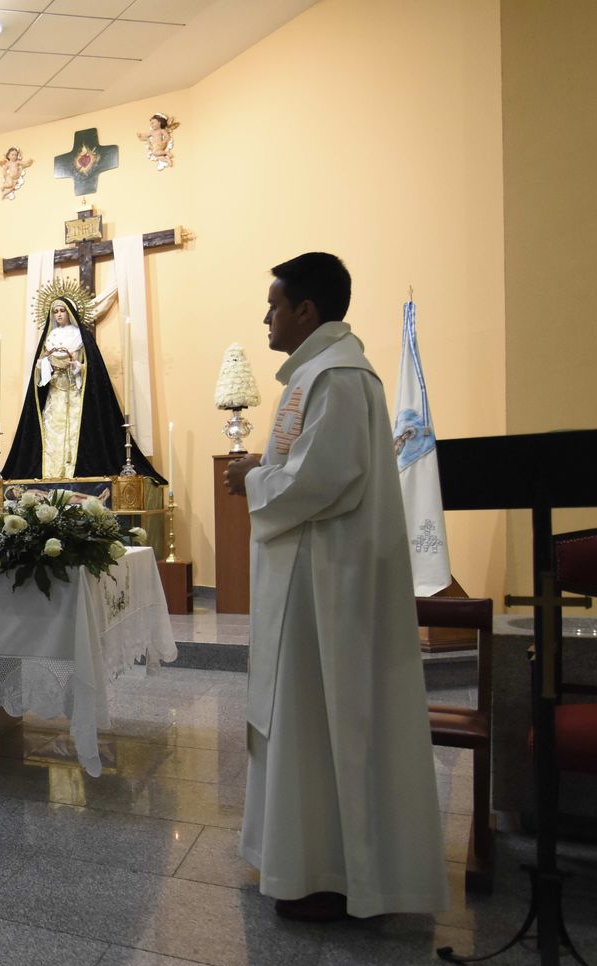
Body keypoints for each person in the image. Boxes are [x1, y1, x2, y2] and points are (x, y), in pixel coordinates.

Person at [224, 252, 448, 921]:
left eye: (274, 304)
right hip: (306, 581)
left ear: (306, 311)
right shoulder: (315, 375)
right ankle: (305, 864)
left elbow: (323, 479)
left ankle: (332, 875)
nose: (266, 316)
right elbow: (311, 465)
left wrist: (252, 480)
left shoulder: (340, 377)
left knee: (324, 726)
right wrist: (269, 469)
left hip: (330, 589)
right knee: (304, 727)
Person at [2, 295, 163, 482]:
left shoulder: (79, 336)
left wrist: (78, 367)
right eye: (55, 311)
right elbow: (40, 376)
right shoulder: (50, 337)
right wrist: (43, 365)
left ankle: (73, 472)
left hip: (75, 392)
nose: (59, 315)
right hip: (55, 395)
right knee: (52, 432)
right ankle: (53, 475)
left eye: (62, 310)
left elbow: (92, 368)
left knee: (75, 432)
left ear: (70, 313)